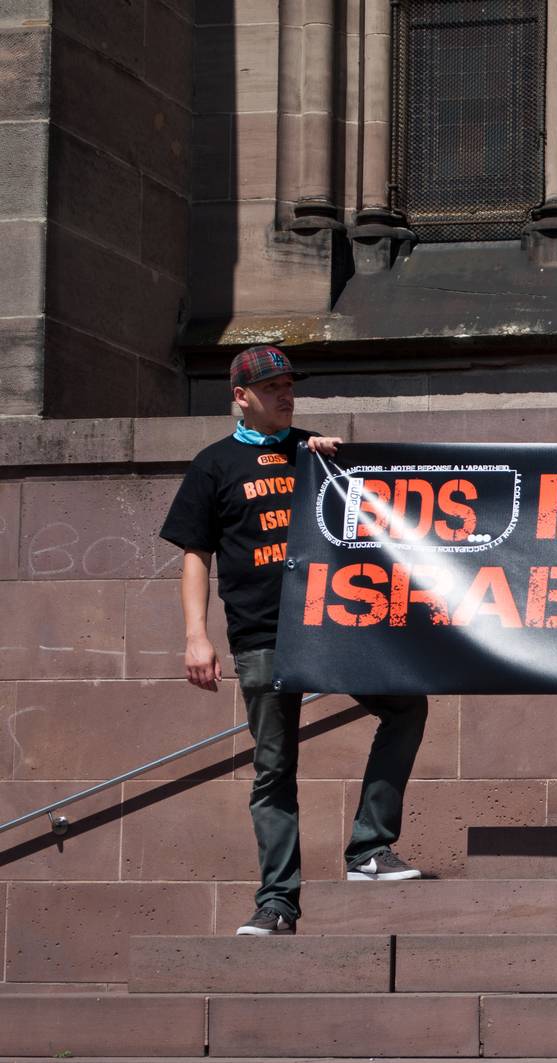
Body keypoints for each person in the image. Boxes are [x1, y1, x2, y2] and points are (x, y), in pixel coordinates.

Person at [160, 345, 430, 937]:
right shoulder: (214, 465)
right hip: (260, 637)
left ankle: (369, 852)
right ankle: (278, 903)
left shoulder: (316, 451)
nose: (286, 394)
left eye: (290, 384)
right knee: (274, 769)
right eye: (273, 386)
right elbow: (195, 557)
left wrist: (335, 462)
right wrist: (194, 638)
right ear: (240, 397)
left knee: (406, 705)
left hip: (332, 629)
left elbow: (382, 516)